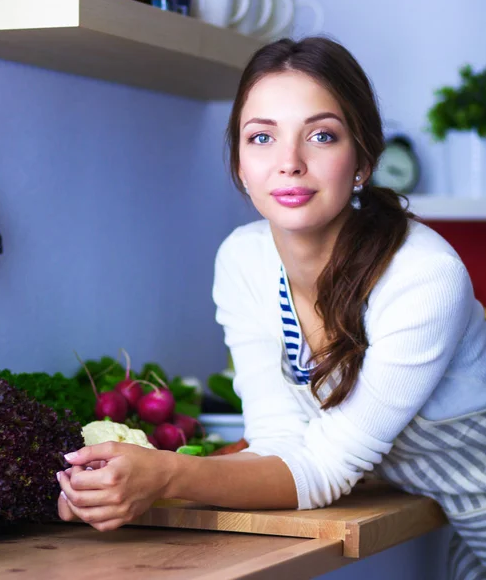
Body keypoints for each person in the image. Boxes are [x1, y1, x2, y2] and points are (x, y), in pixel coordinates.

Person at [56, 37, 486, 580]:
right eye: (262, 137)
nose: (289, 164)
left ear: (362, 162)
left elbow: (326, 468)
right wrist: (109, 486)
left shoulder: (422, 275)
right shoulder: (244, 261)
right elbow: (280, 445)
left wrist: (165, 477)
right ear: (239, 163)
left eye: (321, 136)